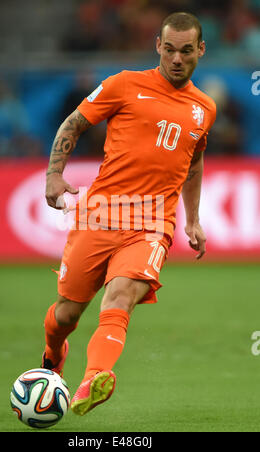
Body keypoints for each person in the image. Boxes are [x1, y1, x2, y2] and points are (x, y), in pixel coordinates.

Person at [42, 11, 216, 416]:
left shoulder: (204, 108)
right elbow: (73, 124)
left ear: (200, 50)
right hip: (101, 214)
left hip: (154, 222)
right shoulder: (123, 84)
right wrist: (54, 174)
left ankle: (93, 379)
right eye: (169, 49)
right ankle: (53, 355)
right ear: (158, 45)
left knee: (120, 296)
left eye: (186, 51)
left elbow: (192, 163)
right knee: (66, 314)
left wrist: (192, 218)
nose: (176, 59)